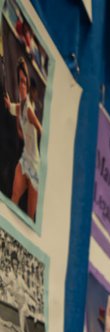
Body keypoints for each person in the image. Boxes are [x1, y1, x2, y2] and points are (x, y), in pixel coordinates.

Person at [4, 59, 41, 219]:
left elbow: (41, 131)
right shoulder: (21, 105)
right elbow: (12, 108)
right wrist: (7, 103)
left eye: (24, 82)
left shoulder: (30, 110)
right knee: (13, 198)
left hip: (35, 165)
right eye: (20, 82)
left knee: (30, 215)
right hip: (24, 159)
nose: (22, 86)